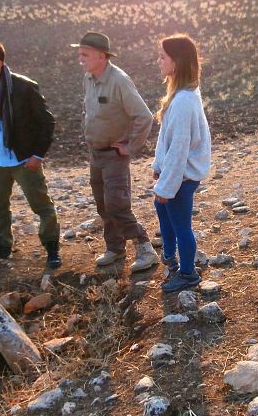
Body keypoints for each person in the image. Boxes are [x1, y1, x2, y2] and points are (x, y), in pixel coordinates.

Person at [73, 31, 158, 272]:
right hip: (96, 154)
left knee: (116, 203)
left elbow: (144, 116)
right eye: (79, 54)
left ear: (101, 56)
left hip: (114, 155)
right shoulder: (89, 78)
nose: (80, 59)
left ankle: (144, 247)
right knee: (102, 204)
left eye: (85, 55)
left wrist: (130, 146)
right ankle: (115, 248)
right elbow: (88, 111)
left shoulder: (119, 80)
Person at [0, 40, 62, 269]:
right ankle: (3, 244)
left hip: (23, 159)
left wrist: (38, 155)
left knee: (42, 206)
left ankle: (52, 248)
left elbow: (47, 121)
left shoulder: (24, 87)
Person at [151, 34, 211, 293]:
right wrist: (157, 165)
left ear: (177, 62)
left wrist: (167, 187)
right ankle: (170, 256)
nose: (158, 61)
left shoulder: (184, 101)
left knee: (181, 223)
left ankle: (187, 273)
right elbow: (166, 138)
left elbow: (178, 150)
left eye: (163, 57)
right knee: (162, 209)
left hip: (182, 177)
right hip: (176, 174)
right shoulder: (180, 95)